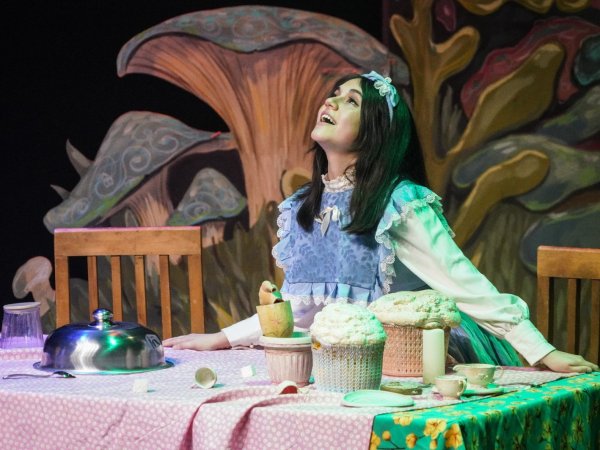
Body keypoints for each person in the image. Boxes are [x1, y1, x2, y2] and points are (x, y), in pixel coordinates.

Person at [164, 71, 598, 373]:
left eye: (350, 100)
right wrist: (222, 338)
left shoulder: (399, 204)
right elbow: (304, 308)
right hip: (351, 357)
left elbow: (461, 280)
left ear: (375, 132)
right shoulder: (303, 208)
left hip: (414, 351)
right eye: (335, 94)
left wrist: (541, 351)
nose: (330, 101)